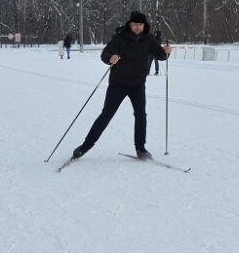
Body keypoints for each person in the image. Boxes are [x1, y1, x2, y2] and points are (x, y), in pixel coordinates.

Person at [70, 11, 171, 162]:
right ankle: (85, 146)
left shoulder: (149, 39)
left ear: (144, 25)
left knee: (141, 115)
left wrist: (166, 52)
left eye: (141, 24)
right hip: (118, 84)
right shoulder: (120, 37)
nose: (138, 27)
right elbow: (105, 53)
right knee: (106, 115)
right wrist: (110, 58)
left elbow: (160, 55)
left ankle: (140, 149)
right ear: (130, 24)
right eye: (135, 24)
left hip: (138, 84)